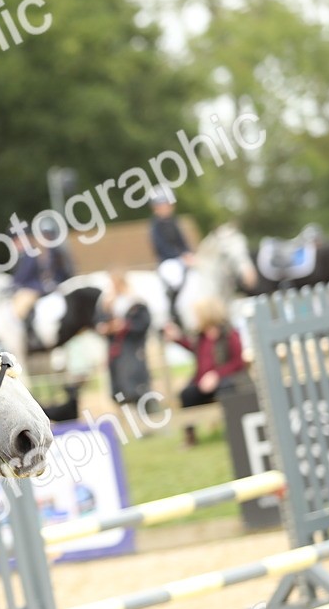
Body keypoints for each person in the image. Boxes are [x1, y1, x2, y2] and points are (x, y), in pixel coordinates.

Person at [163, 296, 247, 446]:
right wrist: (177, 339)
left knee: (227, 389)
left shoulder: (229, 334)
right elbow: (192, 348)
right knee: (186, 394)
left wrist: (216, 375)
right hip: (202, 382)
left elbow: (238, 362)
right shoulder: (200, 337)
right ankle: (190, 438)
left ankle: (234, 431)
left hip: (225, 380)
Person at [94, 270, 152, 408]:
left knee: (137, 389)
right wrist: (108, 327)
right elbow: (99, 324)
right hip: (117, 353)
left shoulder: (135, 303)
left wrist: (125, 326)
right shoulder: (107, 303)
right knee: (120, 393)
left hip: (132, 351)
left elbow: (142, 324)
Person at [10, 222, 73, 326]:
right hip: (41, 284)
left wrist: (13, 285)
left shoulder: (31, 253)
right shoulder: (34, 251)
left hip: (36, 287)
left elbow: (24, 276)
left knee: (17, 311)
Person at [148, 187, 192, 324]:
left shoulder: (174, 222)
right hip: (167, 261)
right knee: (175, 278)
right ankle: (173, 311)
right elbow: (160, 246)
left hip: (180, 259)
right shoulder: (155, 226)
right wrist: (179, 257)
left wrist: (188, 254)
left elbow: (182, 241)